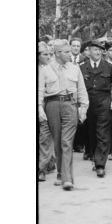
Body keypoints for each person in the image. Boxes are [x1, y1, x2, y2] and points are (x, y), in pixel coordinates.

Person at [38, 39, 89, 190]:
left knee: (67, 142)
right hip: (52, 105)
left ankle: (68, 179)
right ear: (58, 53)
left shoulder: (75, 69)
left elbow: (81, 90)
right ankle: (60, 173)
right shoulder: (45, 69)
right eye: (66, 52)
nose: (70, 54)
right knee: (58, 142)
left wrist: (84, 108)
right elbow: (39, 91)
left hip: (70, 105)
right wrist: (39, 109)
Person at [79, 40, 112, 177]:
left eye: (100, 50)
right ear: (89, 51)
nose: (98, 53)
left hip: (104, 103)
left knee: (102, 133)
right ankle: (94, 156)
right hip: (88, 103)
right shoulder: (82, 67)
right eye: (95, 50)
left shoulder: (108, 67)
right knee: (91, 133)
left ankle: (100, 165)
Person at [38, 42, 55, 181]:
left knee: (45, 136)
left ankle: (42, 168)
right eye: (45, 54)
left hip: (46, 106)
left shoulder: (52, 68)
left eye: (50, 54)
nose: (48, 56)